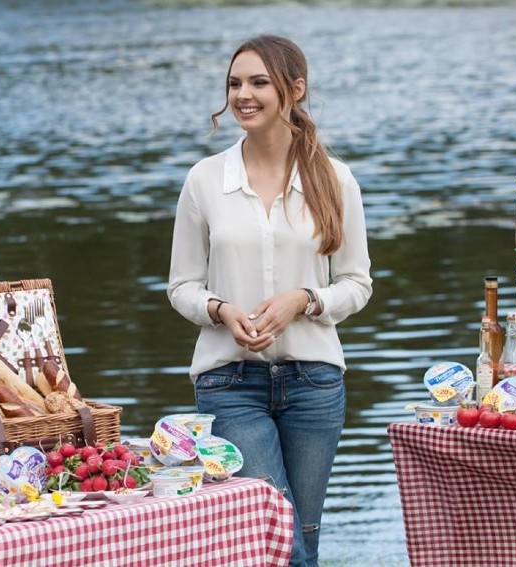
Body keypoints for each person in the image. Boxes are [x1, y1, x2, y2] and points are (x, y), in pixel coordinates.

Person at [167, 35, 372, 567]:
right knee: (272, 533)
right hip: (229, 383)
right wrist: (221, 311)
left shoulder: (335, 178)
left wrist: (304, 300)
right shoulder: (205, 180)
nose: (243, 95)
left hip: (315, 383)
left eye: (259, 82)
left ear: (294, 90)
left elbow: (356, 283)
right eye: (235, 83)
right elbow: (182, 286)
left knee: (303, 532)